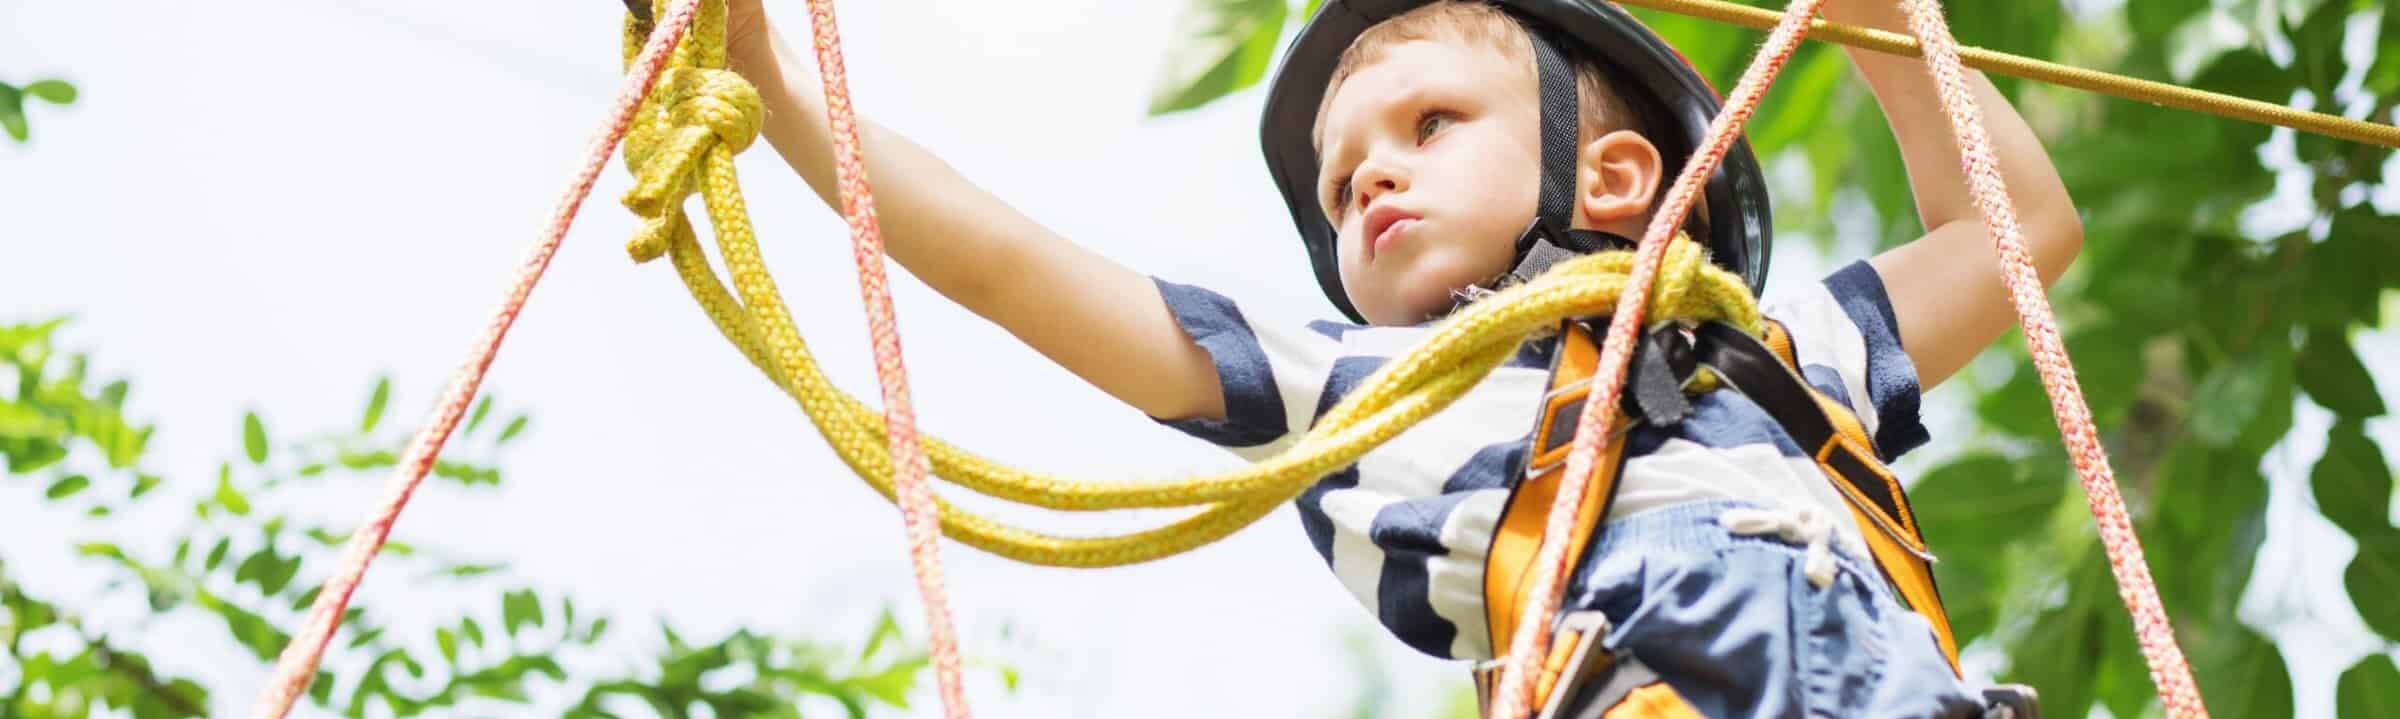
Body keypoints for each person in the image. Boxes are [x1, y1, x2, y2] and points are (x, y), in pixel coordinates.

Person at [720, 0, 2080, 716]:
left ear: (1614, 174)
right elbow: (1015, 266)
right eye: (1337, 181)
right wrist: (778, 92)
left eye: (1428, 125)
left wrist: (1892, 24)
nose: (1367, 178)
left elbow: (2018, 231)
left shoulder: (1777, 361)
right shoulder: (1362, 389)